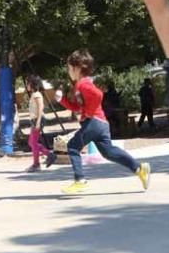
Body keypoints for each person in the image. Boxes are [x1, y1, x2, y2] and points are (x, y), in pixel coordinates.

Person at [45, 50, 151, 194]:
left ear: (77, 68)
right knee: (109, 152)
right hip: (101, 123)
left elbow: (98, 95)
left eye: (69, 68)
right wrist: (62, 100)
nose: (68, 71)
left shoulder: (83, 84)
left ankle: (80, 180)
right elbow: (77, 107)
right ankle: (139, 169)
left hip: (93, 122)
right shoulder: (81, 85)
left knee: (72, 146)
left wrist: (89, 112)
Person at [25, 75, 52, 173]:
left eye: (28, 83)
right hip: (34, 120)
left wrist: (38, 122)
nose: (26, 85)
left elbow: (41, 108)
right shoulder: (33, 94)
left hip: (38, 119)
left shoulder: (37, 94)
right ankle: (49, 155)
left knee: (33, 143)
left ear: (32, 84)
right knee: (31, 142)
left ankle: (36, 164)